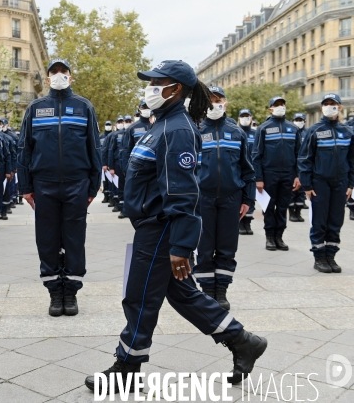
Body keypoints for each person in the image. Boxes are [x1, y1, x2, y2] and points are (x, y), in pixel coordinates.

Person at [85, 61, 267, 395]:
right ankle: (243, 340)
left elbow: (182, 192)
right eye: (150, 82)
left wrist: (181, 246)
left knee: (138, 297)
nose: (150, 87)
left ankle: (127, 367)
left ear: (176, 89)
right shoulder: (161, 124)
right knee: (183, 295)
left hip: (161, 228)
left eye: (157, 82)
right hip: (152, 226)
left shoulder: (178, 129)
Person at [18, 58, 102, 317]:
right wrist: (25, 187)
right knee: (47, 238)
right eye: (53, 72)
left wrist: (93, 186)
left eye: (63, 71)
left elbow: (94, 148)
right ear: (47, 79)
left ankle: (71, 291)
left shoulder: (83, 107)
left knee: (75, 238)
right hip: (44, 185)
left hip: (77, 184)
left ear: (70, 77)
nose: (58, 75)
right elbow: (25, 149)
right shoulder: (36, 108)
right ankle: (55, 291)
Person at [192, 86, 255, 311]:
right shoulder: (195, 130)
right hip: (203, 199)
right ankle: (208, 290)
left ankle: (222, 290)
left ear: (225, 103)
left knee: (227, 247)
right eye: (210, 100)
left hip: (231, 198)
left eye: (218, 100)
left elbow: (247, 170)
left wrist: (248, 200)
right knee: (205, 246)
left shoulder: (237, 132)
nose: (214, 104)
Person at [298, 93, 354, 274]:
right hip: (320, 182)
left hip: (341, 183)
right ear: (322, 107)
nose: (330, 106)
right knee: (320, 221)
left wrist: (350, 184)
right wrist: (307, 185)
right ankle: (319, 257)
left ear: (340, 107)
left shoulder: (347, 132)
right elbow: (305, 159)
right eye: (327, 104)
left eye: (333, 103)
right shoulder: (314, 130)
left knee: (336, 220)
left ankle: (331, 255)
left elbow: (352, 160)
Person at [252, 96, 301, 251]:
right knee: (269, 207)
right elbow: (256, 155)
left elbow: (299, 154)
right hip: (269, 174)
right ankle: (269, 237)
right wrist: (258, 178)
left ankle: (279, 236)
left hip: (288, 174)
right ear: (270, 109)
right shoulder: (263, 128)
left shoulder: (293, 129)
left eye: (282, 104)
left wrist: (298, 175)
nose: (280, 107)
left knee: (282, 207)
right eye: (276, 105)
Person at [238, 108, 256, 235]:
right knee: (240, 197)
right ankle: (240, 222)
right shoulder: (237, 132)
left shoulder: (255, 134)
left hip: (252, 171)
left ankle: (247, 223)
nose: (245, 118)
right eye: (242, 116)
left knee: (250, 197)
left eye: (247, 115)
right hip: (239, 171)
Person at [288, 113, 308, 223]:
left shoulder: (308, 132)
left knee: (301, 192)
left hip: (304, 165)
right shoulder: (291, 131)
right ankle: (291, 213)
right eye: (297, 119)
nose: (299, 121)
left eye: (301, 119)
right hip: (292, 165)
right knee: (292, 190)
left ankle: (298, 213)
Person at [108, 116, 127, 213]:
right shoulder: (116, 135)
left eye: (128, 121)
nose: (125, 123)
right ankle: (121, 207)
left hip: (129, 163)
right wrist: (111, 167)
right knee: (120, 186)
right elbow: (110, 151)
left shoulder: (129, 132)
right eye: (124, 121)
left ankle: (127, 208)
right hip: (118, 163)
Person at [100, 121, 113, 203]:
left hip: (111, 160)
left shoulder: (113, 135)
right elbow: (100, 151)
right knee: (105, 180)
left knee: (112, 180)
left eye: (109, 125)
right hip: (104, 161)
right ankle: (106, 196)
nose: (108, 126)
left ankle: (112, 196)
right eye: (107, 125)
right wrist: (103, 163)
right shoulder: (101, 137)